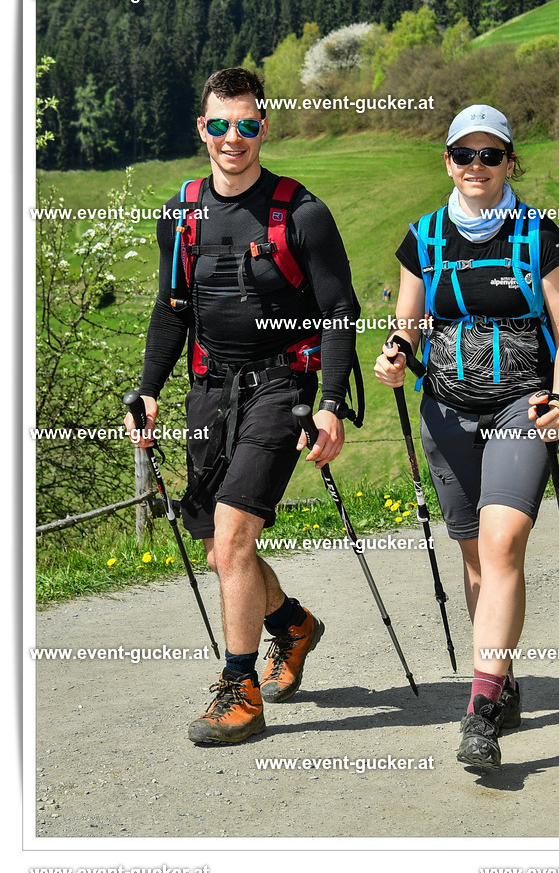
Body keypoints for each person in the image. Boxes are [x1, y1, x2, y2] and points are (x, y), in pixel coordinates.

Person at [125, 68, 357, 745]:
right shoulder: (180, 213)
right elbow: (172, 310)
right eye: (220, 124)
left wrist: (332, 404)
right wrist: (149, 388)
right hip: (207, 389)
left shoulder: (301, 212)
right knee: (220, 544)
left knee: (232, 539)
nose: (233, 138)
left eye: (247, 125)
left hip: (281, 387)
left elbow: (340, 312)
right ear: (201, 128)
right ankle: (291, 625)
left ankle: (239, 689)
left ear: (263, 129)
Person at [374, 104, 559, 769]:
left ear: (509, 163)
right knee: (473, 558)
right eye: (463, 154)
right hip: (444, 411)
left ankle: (480, 708)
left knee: (501, 545)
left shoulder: (537, 236)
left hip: (520, 409)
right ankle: (502, 677)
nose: (475, 166)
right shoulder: (424, 238)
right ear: (446, 161)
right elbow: (407, 325)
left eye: (489, 155)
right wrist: (393, 354)